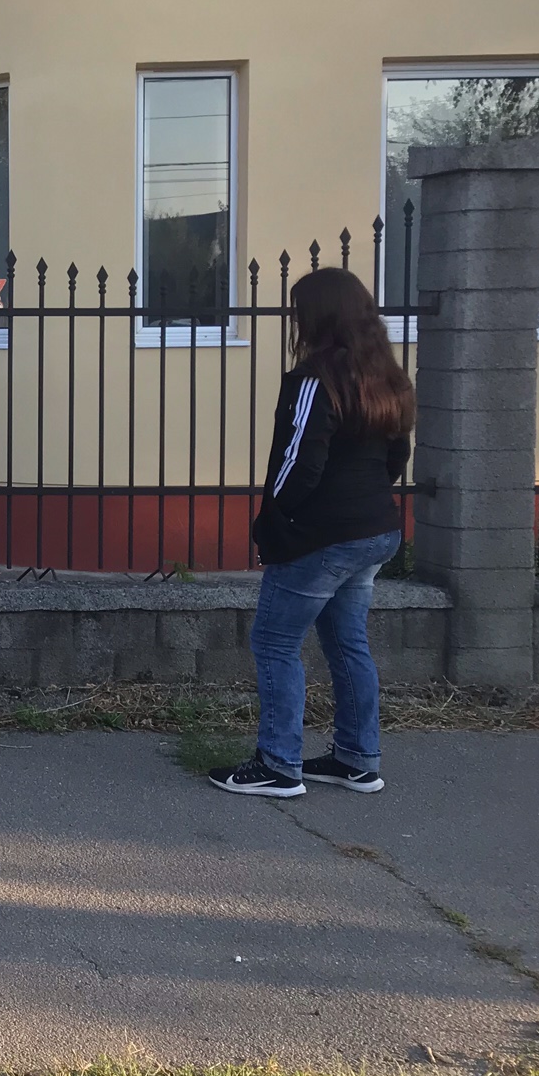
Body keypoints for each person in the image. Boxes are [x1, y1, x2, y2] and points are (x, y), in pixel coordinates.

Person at [212, 267, 415, 799]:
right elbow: (397, 456)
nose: (295, 319)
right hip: (376, 530)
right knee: (348, 643)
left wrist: (273, 521)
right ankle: (357, 760)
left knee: (275, 641)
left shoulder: (314, 380)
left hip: (323, 539)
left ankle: (278, 765)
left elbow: (298, 463)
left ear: (319, 316)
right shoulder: (388, 378)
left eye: (299, 310)